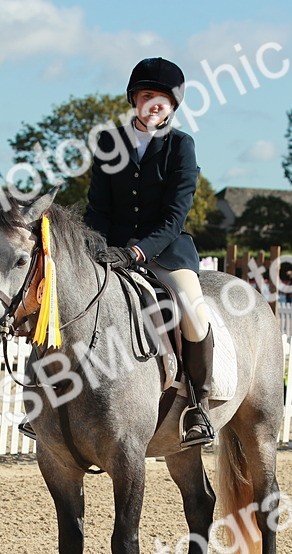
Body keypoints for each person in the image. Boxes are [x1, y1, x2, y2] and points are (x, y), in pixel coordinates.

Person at [85, 56, 214, 447]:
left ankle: (198, 405)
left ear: (173, 105)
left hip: (167, 251)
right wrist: (96, 247)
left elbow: (175, 216)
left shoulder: (181, 147)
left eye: (163, 98)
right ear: (134, 100)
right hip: (111, 250)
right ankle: (46, 400)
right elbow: (98, 208)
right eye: (146, 95)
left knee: (192, 307)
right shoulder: (109, 143)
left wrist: (137, 254)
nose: (154, 103)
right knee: (68, 294)